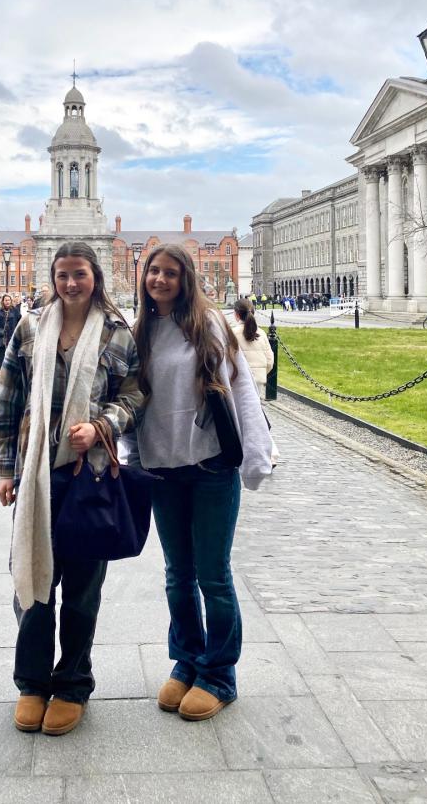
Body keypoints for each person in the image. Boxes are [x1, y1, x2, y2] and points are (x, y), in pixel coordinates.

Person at [0, 242, 142, 737]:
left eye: (79, 274)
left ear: (94, 276)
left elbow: (136, 394)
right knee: (32, 581)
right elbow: (9, 394)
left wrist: (103, 425)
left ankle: (73, 682)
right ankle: (32, 682)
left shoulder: (118, 332)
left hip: (89, 473)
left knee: (81, 588)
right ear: (53, 278)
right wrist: (6, 467)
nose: (71, 283)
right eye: (62, 275)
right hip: (36, 474)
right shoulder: (31, 326)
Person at [132, 244, 272, 722]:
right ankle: (187, 659)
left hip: (211, 465)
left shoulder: (208, 325)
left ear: (185, 279)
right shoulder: (141, 330)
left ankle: (219, 674)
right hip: (163, 469)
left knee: (213, 574)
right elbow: (134, 401)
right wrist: (128, 457)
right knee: (177, 575)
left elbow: (241, 392)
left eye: (171, 273)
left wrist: (255, 457)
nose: (161, 280)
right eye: (154, 271)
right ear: (143, 277)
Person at [233, 299, 279, 468]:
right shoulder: (261, 333)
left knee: (251, 418)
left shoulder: (233, 333)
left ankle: (270, 453)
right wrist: (260, 374)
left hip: (240, 381)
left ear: (236, 314)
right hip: (258, 378)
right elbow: (269, 360)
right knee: (255, 415)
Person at [0, 294, 19, 374]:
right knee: (1, 352)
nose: (7, 302)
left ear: (11, 301)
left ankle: (11, 369)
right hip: (0, 335)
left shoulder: (15, 310)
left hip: (11, 334)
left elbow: (19, 321)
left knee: (11, 352)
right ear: (3, 301)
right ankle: (2, 369)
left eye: (8, 300)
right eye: (5, 300)